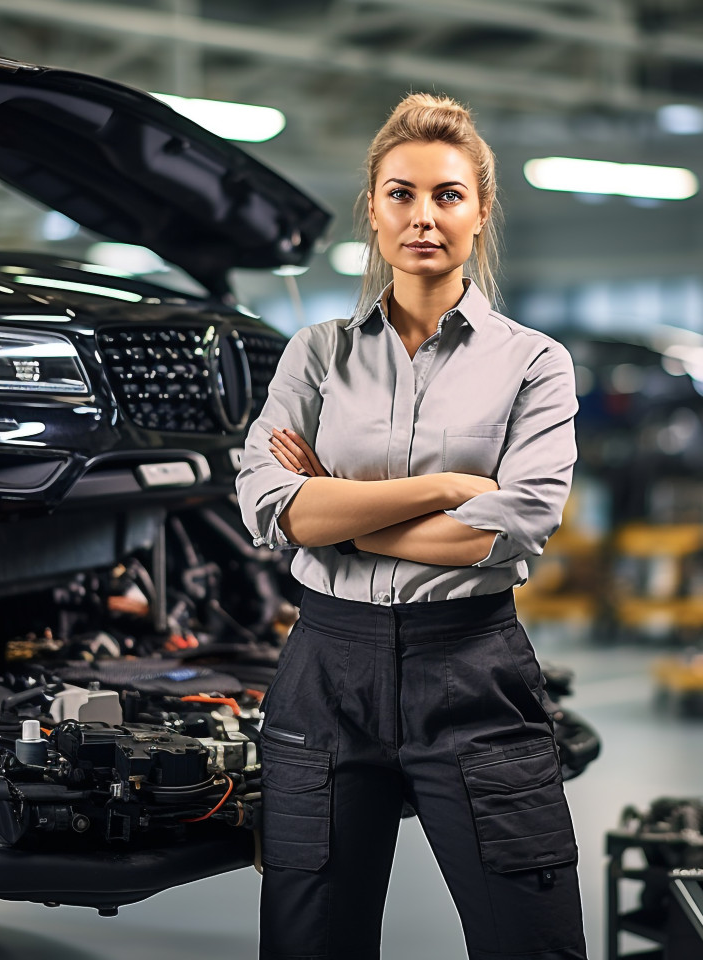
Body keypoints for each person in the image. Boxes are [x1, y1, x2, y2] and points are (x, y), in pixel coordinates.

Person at [236, 92, 587, 960]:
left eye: (447, 195)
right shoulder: (315, 354)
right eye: (401, 194)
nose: (423, 217)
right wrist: (440, 487)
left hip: (472, 671)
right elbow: (269, 505)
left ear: (480, 210)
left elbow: (500, 530)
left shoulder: (534, 363)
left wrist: (336, 516)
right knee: (309, 939)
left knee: (531, 940)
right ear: (373, 209)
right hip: (326, 672)